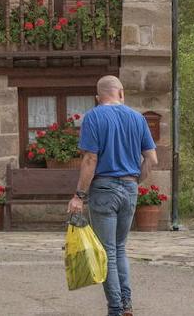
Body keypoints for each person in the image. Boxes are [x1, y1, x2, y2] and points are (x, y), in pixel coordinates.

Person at [66, 75, 158, 316]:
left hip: (104, 190)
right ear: (121, 93)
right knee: (119, 248)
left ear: (98, 97)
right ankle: (126, 304)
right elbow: (152, 159)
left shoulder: (93, 117)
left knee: (107, 250)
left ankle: (115, 309)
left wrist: (78, 195)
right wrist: (134, 181)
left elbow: (90, 159)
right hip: (129, 189)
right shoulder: (138, 118)